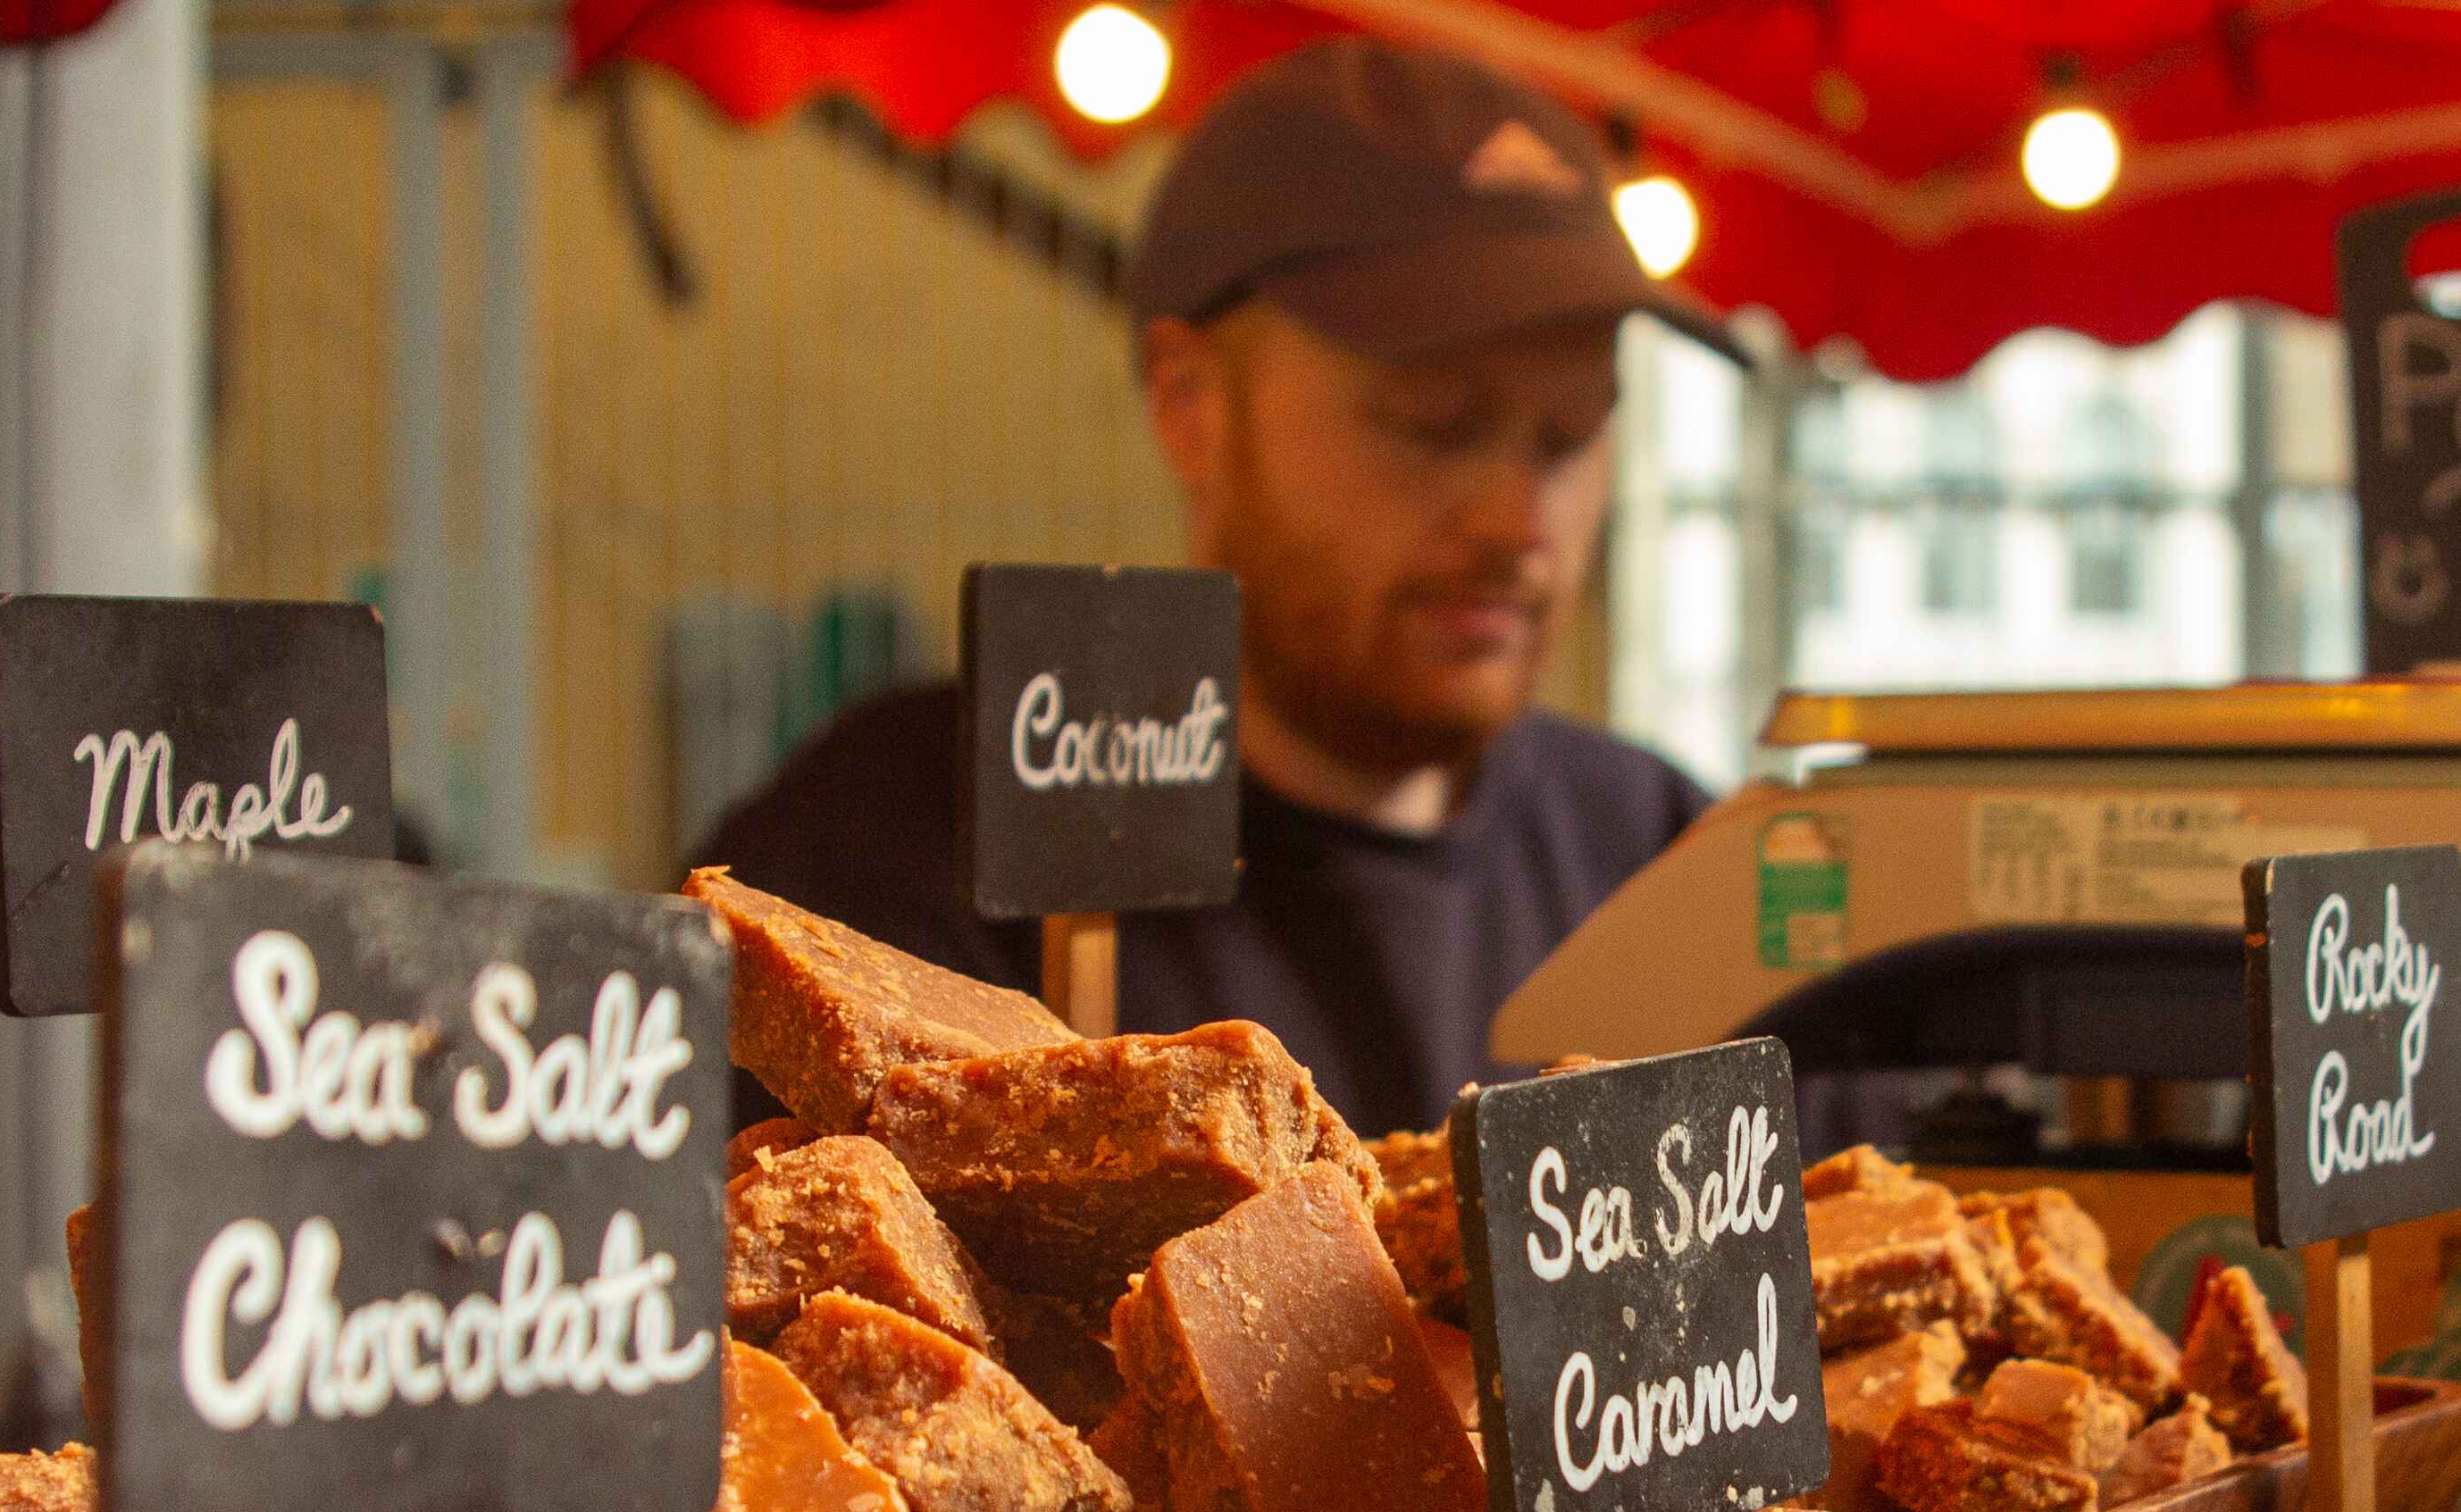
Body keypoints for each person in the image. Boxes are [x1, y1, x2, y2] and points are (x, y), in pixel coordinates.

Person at [693, 38, 1745, 1138]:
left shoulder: (1665, 860)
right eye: (1434, 424)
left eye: (1571, 435)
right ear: (1189, 403)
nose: (1517, 521)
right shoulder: (883, 864)